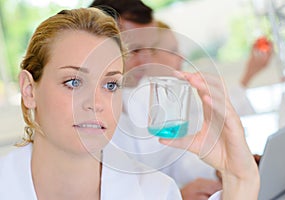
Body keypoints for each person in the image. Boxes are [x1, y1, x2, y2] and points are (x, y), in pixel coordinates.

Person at [0, 7, 260, 200]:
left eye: (111, 84)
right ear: (29, 90)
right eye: (74, 82)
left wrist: (239, 178)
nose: (96, 103)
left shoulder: (155, 192)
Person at [89, 1, 223, 199]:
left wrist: (218, 168)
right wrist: (178, 195)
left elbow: (170, 158)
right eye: (134, 50)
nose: (146, 62)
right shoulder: (82, 119)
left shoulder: (140, 97)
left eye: (150, 50)